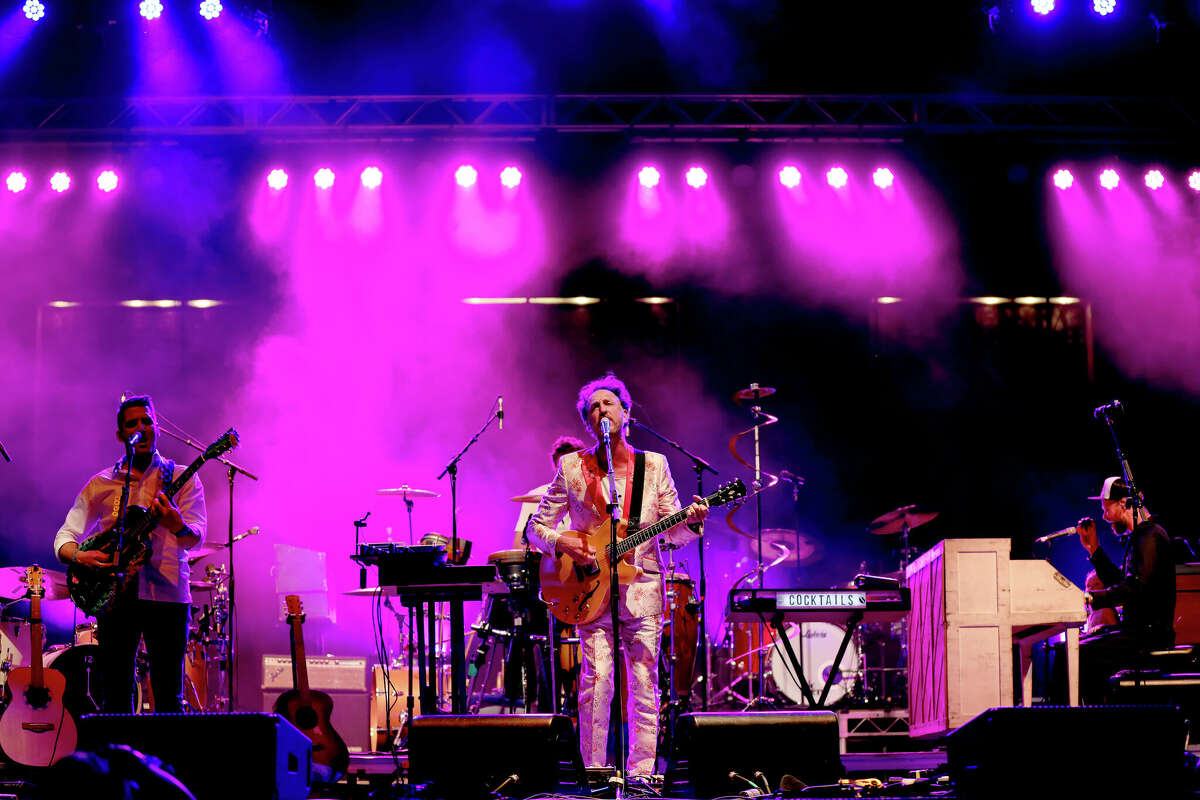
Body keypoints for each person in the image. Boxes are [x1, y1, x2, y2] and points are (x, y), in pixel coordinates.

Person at [527, 373, 708, 776]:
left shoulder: (654, 466)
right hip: (588, 591)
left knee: (644, 683)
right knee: (597, 680)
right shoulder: (571, 468)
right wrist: (565, 543)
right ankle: (595, 772)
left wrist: (692, 521)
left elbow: (672, 533)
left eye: (608, 403)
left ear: (625, 413)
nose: (600, 410)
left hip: (642, 588)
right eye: (592, 408)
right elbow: (535, 528)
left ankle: (642, 774)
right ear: (587, 423)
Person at [53, 396, 207, 714]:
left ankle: (166, 764)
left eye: (147, 421)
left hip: (168, 595)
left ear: (157, 428)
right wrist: (81, 557)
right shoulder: (102, 484)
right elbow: (64, 537)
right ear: (121, 435)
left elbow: (196, 537)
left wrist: (177, 524)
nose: (141, 427)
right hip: (115, 597)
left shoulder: (181, 478)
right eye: (132, 423)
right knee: (116, 695)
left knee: (169, 697)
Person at [1074, 476, 1175, 702]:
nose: (1103, 516)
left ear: (1123, 503)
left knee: (1079, 655)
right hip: (1137, 633)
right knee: (1076, 648)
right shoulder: (1140, 537)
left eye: (1105, 508)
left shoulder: (1151, 536)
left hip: (1148, 636)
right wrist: (1094, 550)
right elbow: (1122, 582)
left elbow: (1135, 587)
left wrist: (1091, 598)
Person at [512, 435, 586, 548]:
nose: (567, 474)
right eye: (562, 469)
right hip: (545, 561)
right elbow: (519, 546)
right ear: (555, 468)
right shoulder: (536, 494)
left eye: (571, 469)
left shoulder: (591, 494)